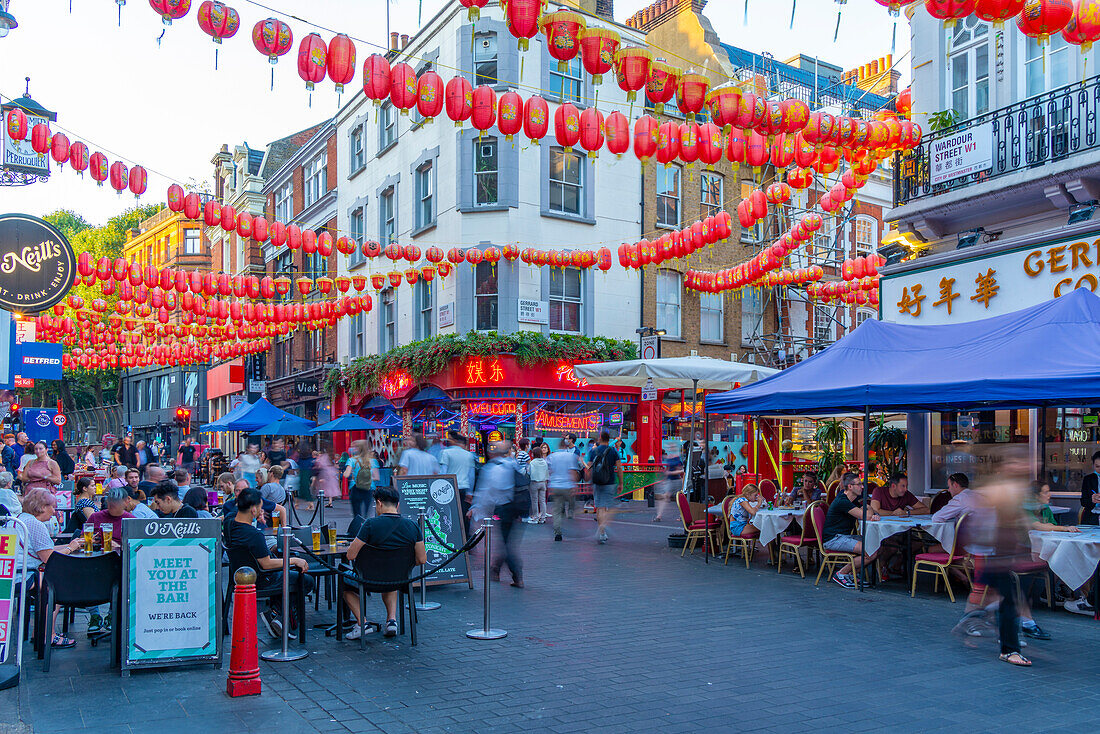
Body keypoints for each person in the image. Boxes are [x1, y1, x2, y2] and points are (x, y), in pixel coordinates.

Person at [342, 484, 427, 639]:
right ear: (398, 505)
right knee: (390, 577)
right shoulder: (413, 525)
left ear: (379, 503)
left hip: (368, 579)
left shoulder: (369, 524)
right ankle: (391, 620)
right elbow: (422, 559)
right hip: (399, 579)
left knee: (345, 583)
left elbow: (350, 555)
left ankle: (362, 623)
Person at [225, 488, 313, 637]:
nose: (262, 511)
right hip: (260, 578)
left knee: (289, 575)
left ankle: (278, 615)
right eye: (260, 508)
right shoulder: (254, 535)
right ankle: (278, 614)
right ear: (253, 510)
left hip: (240, 573)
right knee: (306, 580)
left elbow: (228, 516)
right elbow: (267, 564)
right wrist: (294, 560)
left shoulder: (229, 523)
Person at [16, 488, 86, 648]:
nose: (55, 512)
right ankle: (48, 635)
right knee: (56, 585)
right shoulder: (36, 525)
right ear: (41, 506)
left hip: (14, 573)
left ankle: (40, 632)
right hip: (22, 576)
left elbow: (44, 551)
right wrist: (70, 549)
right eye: (52, 507)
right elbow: (49, 559)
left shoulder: (23, 519)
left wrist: (70, 545)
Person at [471, 441, 525, 587]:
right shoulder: (512, 464)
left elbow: (487, 491)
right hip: (515, 508)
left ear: (491, 453)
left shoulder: (491, 468)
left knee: (506, 543)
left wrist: (477, 509)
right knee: (506, 540)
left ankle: (517, 575)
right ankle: (495, 569)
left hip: (502, 508)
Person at [821, 472, 880, 589]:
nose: (862, 487)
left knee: (876, 545)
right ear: (850, 487)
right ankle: (842, 573)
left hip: (844, 536)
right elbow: (867, 515)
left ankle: (852, 574)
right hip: (834, 539)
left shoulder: (853, 499)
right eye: (859, 484)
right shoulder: (842, 501)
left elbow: (869, 510)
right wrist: (869, 510)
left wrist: (869, 510)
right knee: (871, 551)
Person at [588, 431, 623, 544]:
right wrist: (621, 483)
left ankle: (602, 532)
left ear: (600, 438)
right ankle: (603, 526)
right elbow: (619, 468)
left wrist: (589, 479)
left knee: (599, 507)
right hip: (610, 481)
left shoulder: (594, 451)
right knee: (609, 507)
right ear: (609, 439)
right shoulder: (613, 451)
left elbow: (589, 467)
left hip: (597, 482)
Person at [547, 436, 582, 542]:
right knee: (571, 502)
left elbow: (549, 471)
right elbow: (573, 472)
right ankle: (571, 511)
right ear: (566, 445)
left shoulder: (552, 456)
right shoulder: (570, 456)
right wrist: (574, 484)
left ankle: (557, 532)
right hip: (567, 485)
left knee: (556, 510)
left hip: (556, 486)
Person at [441, 431, 476, 527]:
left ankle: (452, 533)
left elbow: (443, 473)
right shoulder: (469, 455)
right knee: (462, 512)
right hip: (463, 487)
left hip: (449, 487)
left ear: (455, 441)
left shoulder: (446, 452)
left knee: (450, 513)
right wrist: (470, 492)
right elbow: (471, 475)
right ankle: (464, 535)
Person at [655, 445, 684, 523]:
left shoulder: (677, 459)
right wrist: (664, 478)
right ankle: (659, 516)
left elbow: (681, 471)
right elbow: (667, 469)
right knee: (665, 497)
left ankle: (682, 515)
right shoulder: (669, 459)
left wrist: (671, 472)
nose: (671, 448)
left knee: (679, 498)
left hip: (677, 481)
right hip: (670, 480)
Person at [344, 441, 374, 518]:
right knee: (366, 513)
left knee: (357, 514)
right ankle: (365, 527)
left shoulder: (352, 460)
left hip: (356, 487)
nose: (352, 449)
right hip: (369, 487)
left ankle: (358, 528)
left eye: (354, 447)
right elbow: (376, 477)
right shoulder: (372, 461)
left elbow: (346, 475)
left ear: (358, 448)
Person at [528, 444, 549, 523]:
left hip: (534, 483)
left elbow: (530, 473)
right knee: (542, 501)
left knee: (534, 501)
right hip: (543, 483)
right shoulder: (544, 462)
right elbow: (547, 472)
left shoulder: (532, 462)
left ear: (533, 454)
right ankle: (543, 518)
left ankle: (536, 518)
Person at [1079, 450, 1100, 526]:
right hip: (1092, 517)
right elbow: (1083, 502)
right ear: (1093, 465)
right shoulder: (1088, 479)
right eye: (1097, 466)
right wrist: (1092, 499)